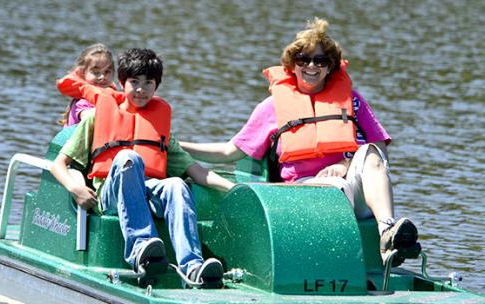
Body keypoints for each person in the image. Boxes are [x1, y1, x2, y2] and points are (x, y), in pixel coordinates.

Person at [180, 18, 421, 267]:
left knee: (371, 153)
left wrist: (345, 163)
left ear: (330, 67)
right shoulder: (271, 108)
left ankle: (387, 234)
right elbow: (229, 151)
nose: (311, 66)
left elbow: (381, 153)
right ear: (291, 65)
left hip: (353, 188)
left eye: (320, 60)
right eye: (303, 59)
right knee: (335, 186)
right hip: (303, 193)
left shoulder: (352, 101)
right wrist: (177, 145)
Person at [50, 48, 235, 285]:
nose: (141, 89)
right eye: (134, 82)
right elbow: (59, 164)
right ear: (121, 83)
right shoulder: (97, 117)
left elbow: (196, 171)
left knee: (176, 185)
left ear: (156, 86)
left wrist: (235, 189)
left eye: (148, 83)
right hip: (111, 196)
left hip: (149, 192)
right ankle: (141, 250)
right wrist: (75, 188)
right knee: (129, 158)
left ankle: (193, 267)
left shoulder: (159, 127)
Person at [57, 43, 116, 127]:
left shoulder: (112, 97)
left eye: (107, 72)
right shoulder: (83, 102)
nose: (102, 77)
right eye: (96, 72)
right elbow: (88, 117)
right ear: (82, 74)